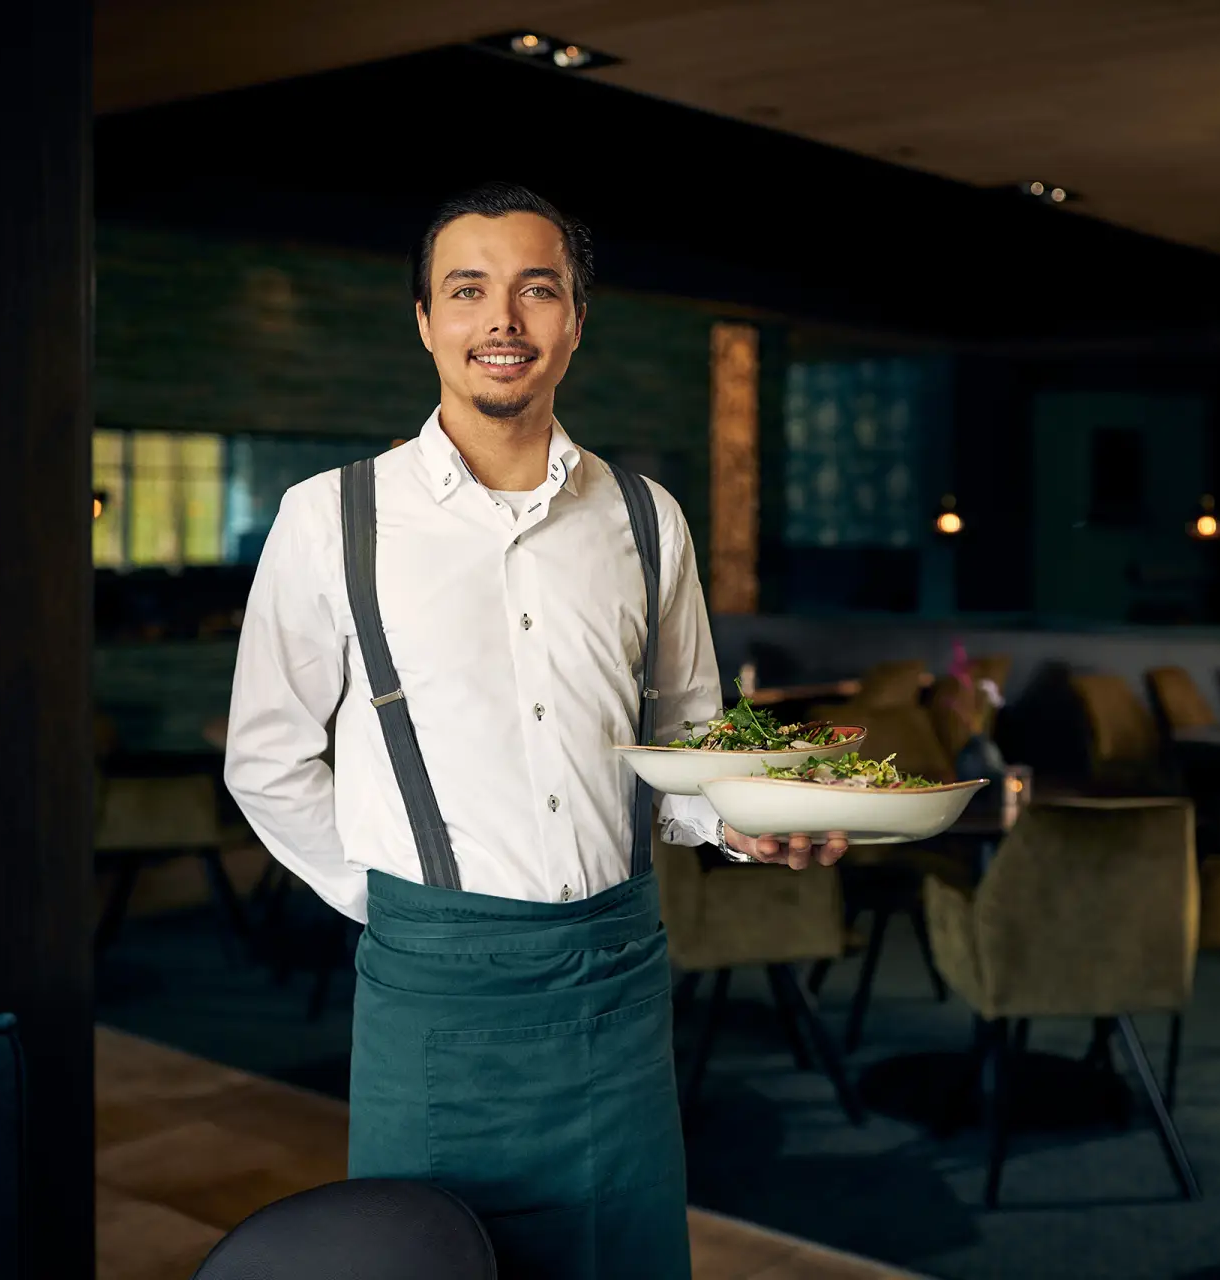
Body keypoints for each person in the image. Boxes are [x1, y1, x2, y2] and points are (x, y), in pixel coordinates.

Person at [223, 181, 848, 1277]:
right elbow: (266, 757)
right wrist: (400, 898)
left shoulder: (648, 517)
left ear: (573, 320)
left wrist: (744, 822)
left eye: (535, 290)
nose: (501, 320)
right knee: (433, 1257)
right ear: (425, 320)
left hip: (616, 977)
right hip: (435, 989)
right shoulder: (333, 516)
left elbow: (687, 737)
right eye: (467, 291)